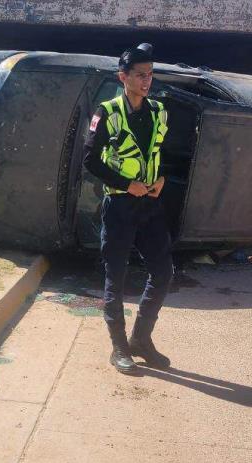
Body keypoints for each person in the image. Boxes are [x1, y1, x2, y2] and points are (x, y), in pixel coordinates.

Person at [83, 43, 174, 374]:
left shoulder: (158, 111)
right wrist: (125, 184)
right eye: (140, 75)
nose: (147, 80)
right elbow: (90, 161)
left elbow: (168, 152)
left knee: (163, 272)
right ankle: (119, 347)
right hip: (120, 205)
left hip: (150, 204)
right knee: (115, 278)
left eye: (150, 74)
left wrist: (163, 177)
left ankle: (141, 339)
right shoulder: (107, 113)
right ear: (123, 77)